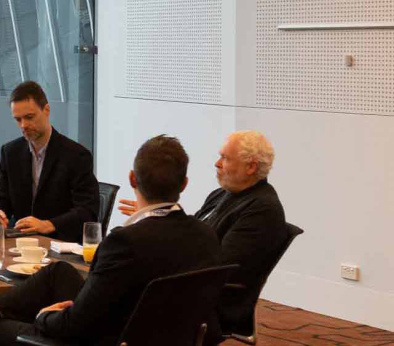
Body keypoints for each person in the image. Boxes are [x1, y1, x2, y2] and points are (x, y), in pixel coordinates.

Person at [0, 135, 221, 345]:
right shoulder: (207, 236)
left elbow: (75, 324)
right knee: (58, 271)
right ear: (184, 184)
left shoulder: (125, 242)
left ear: (132, 179)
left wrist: (43, 316)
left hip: (105, 338)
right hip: (159, 333)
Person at [118, 130, 287, 338]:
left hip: (211, 305)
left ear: (251, 167)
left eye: (224, 158)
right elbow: (190, 231)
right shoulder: (223, 194)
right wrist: (155, 211)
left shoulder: (262, 209)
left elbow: (220, 265)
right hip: (190, 288)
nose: (217, 163)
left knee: (119, 298)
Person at [0, 81, 99, 241]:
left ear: (46, 110)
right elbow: (0, 197)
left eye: (29, 117)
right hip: (20, 240)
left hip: (58, 242)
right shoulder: (10, 152)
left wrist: (48, 224)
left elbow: (88, 211)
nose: (23, 125)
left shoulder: (76, 155)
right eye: (18, 120)